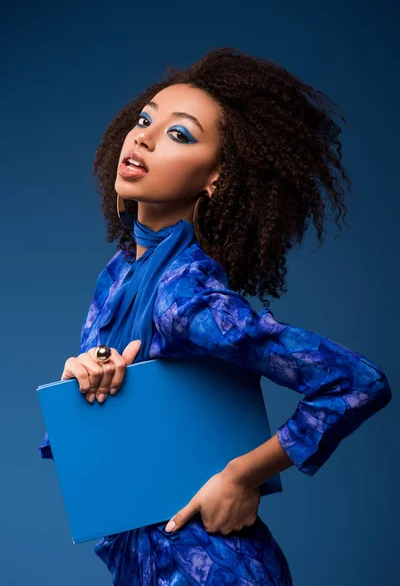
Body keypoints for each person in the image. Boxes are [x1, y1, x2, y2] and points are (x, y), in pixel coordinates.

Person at [38, 47, 392, 586]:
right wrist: (81, 381)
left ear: (217, 180)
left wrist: (241, 476)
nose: (143, 138)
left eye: (179, 134)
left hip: (209, 569)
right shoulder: (118, 277)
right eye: (144, 121)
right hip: (145, 564)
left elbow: (356, 383)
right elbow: (95, 450)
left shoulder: (185, 296)